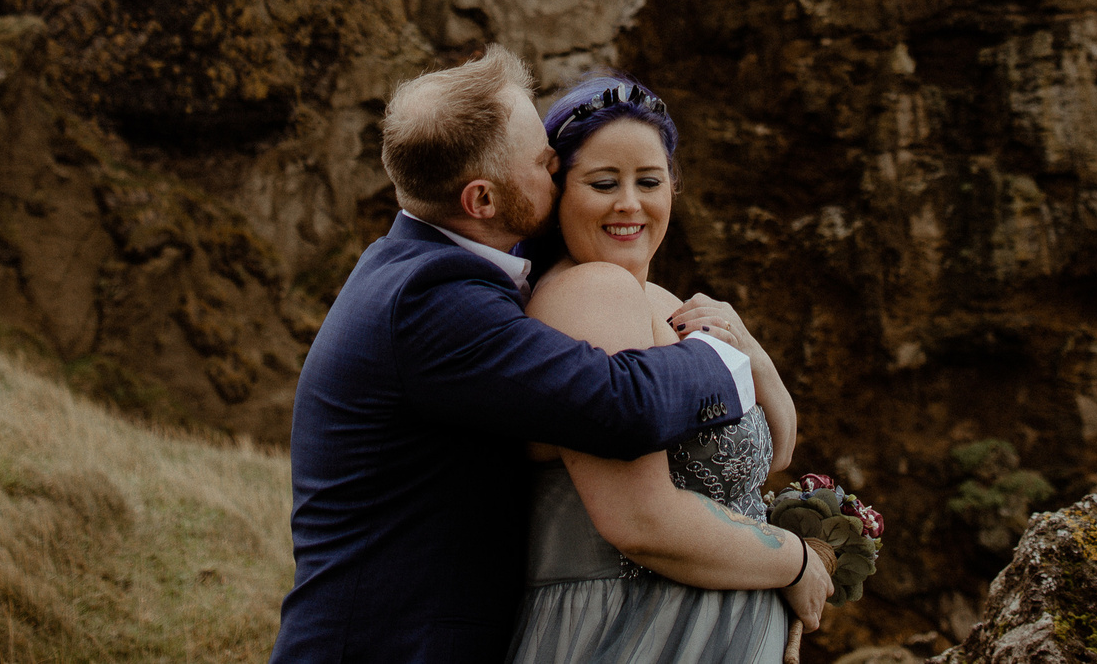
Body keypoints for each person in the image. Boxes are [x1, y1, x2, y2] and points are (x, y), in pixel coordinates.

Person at [270, 46, 831, 664]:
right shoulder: (432, 300)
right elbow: (624, 406)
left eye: (650, 179)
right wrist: (723, 357)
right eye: (545, 165)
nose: (556, 173)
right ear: (482, 200)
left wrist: (748, 348)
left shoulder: (438, 277)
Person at [506, 73, 823, 664]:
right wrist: (794, 560)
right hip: (638, 629)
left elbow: (772, 455)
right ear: (557, 193)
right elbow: (640, 520)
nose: (630, 203)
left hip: (706, 629)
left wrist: (753, 354)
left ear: (673, 187)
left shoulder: (664, 302)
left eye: (648, 181)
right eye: (604, 183)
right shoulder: (590, 294)